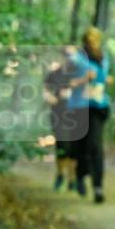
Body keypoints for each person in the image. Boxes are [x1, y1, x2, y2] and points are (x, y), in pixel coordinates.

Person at [69, 27, 112, 204]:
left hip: (98, 106)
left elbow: (104, 77)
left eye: (95, 39)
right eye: (89, 39)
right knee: (81, 147)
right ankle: (80, 176)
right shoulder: (77, 58)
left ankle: (98, 186)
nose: (93, 42)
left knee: (95, 145)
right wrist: (82, 80)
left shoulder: (104, 57)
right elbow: (68, 82)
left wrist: (106, 79)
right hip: (79, 106)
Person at [43, 47, 78, 191]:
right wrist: (49, 97)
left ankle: (72, 179)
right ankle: (60, 174)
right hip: (58, 114)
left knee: (74, 147)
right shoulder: (53, 74)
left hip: (75, 115)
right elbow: (45, 90)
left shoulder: (76, 73)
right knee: (62, 146)